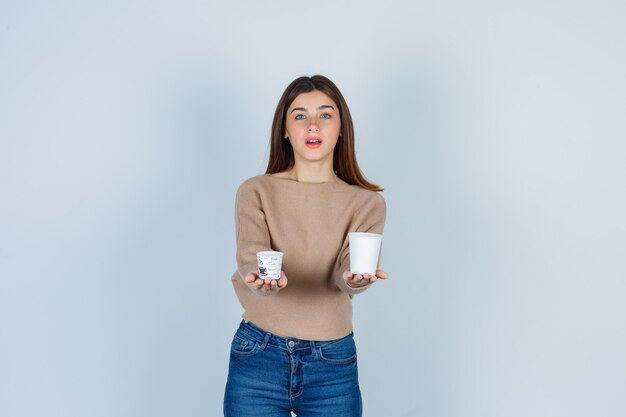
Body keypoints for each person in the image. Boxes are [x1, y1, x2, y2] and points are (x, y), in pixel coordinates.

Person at [223, 75, 389, 417]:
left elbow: (346, 271)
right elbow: (251, 256)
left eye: (325, 115)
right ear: (284, 129)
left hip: (332, 364)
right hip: (259, 354)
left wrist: (357, 278)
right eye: (300, 115)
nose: (312, 125)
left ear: (342, 127)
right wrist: (262, 281)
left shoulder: (366, 204)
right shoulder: (255, 191)